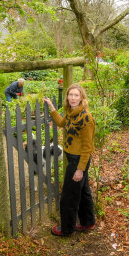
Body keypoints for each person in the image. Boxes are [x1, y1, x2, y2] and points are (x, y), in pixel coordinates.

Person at [43, 84, 96, 237]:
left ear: (82, 98)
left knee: (69, 196)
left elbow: (88, 147)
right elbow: (61, 123)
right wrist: (52, 108)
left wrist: (80, 169)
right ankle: (88, 222)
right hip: (74, 159)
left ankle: (67, 229)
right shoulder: (72, 113)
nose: (73, 98)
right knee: (84, 192)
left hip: (78, 161)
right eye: (70, 95)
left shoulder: (86, 117)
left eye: (76, 95)